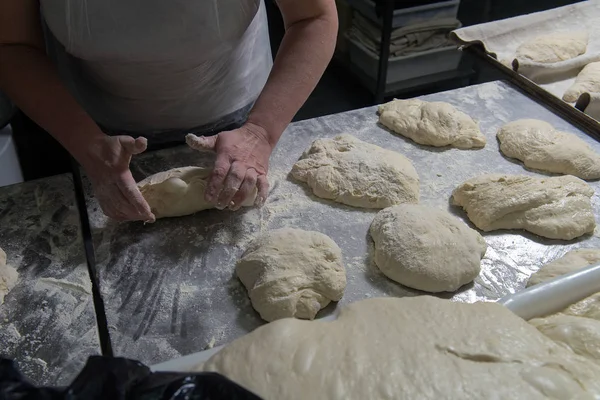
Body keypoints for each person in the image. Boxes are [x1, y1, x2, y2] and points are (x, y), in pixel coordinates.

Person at [0, 0, 338, 222]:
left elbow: (313, 17)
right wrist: (87, 144)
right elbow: (13, 46)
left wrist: (260, 132)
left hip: (236, 118)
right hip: (88, 124)